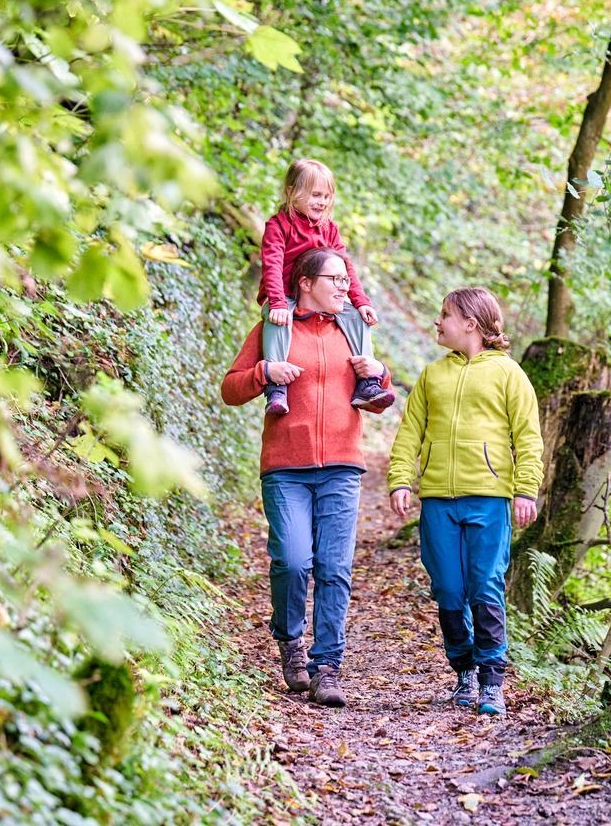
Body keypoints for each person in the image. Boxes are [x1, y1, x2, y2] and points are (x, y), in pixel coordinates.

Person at [222, 248, 394, 707]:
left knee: (335, 569)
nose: (344, 286)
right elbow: (231, 388)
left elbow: (378, 398)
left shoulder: (352, 329)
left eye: (345, 279)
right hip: (286, 468)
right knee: (294, 562)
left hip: (342, 465)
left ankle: (327, 668)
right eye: (334, 279)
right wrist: (264, 372)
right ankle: (290, 641)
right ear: (305, 283)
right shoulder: (274, 329)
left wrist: (380, 375)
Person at [387, 287, 543, 716]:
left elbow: (528, 437)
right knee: (448, 589)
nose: (438, 322)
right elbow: (408, 435)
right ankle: (463, 671)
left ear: (471, 323)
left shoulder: (509, 374)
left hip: (490, 499)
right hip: (438, 499)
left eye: (445, 315)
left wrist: (526, 489)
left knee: (485, 585)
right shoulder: (431, 375)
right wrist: (401, 481)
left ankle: (492, 678)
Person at [257, 159, 393, 417]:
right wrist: (276, 303)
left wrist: (361, 301)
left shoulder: (328, 229)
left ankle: (367, 381)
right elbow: (272, 264)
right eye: (315, 195)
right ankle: (276, 387)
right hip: (284, 294)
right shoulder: (279, 226)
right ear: (291, 192)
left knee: (355, 315)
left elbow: (345, 267)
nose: (321, 202)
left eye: (326, 196)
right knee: (277, 322)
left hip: (321, 296)